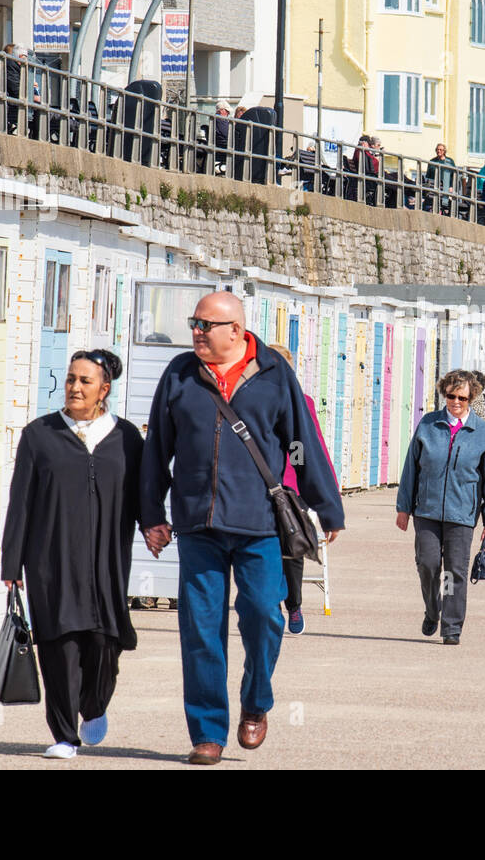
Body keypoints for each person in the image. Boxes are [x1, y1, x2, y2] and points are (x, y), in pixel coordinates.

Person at [140, 292, 344, 765]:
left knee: (264, 616)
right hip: (198, 521)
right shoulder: (179, 374)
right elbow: (157, 449)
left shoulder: (274, 373)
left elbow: (300, 442)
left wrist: (326, 506)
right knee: (201, 630)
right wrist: (151, 514)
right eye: (193, 323)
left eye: (205, 325)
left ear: (236, 329)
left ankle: (256, 701)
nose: (196, 332)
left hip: (258, 523)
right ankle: (207, 732)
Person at [0, 349, 144, 760]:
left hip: (107, 562)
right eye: (70, 379)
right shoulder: (40, 435)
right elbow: (20, 502)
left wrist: (155, 524)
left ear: (104, 389)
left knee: (104, 643)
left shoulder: (127, 437)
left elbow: (142, 494)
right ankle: (64, 735)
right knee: (59, 647)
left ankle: (95, 705)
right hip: (51, 561)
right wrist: (13, 563)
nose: (75, 387)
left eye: (84, 381)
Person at [396, 369, 485, 646]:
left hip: (462, 514)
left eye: (462, 398)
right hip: (426, 511)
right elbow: (410, 469)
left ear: (471, 398)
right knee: (428, 565)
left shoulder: (481, 432)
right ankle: (432, 610)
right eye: (451, 396)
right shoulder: (428, 424)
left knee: (454, 572)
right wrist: (403, 507)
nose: (456, 402)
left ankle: (451, 627)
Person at [267, 344, 338, 636]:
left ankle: (293, 604)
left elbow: (309, 448)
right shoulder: (246, 401)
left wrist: (326, 497)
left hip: (290, 488)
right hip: (256, 487)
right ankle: (271, 606)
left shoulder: (302, 403)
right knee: (263, 549)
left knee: (293, 547)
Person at [426, 143, 457, 214]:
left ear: (444, 151)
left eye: (440, 150)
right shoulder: (432, 161)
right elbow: (428, 176)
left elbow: (454, 175)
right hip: (434, 187)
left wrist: (451, 186)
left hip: (447, 187)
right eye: (437, 149)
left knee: (447, 203)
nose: (438, 151)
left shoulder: (449, 161)